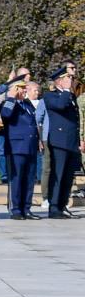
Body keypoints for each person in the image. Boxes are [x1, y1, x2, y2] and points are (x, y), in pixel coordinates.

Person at [43, 68, 81, 218]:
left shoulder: (70, 95)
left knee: (68, 176)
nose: (71, 81)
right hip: (59, 141)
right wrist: (65, 90)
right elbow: (60, 106)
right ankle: (54, 207)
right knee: (58, 174)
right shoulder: (51, 96)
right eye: (68, 78)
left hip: (71, 141)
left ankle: (62, 205)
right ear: (59, 80)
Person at [0, 81, 40, 219]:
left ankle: (26, 208)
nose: (24, 91)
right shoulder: (8, 103)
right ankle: (15, 209)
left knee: (29, 180)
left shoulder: (27, 104)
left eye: (25, 88)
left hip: (30, 146)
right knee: (16, 180)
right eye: (21, 88)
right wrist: (11, 97)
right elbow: (5, 114)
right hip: (16, 147)